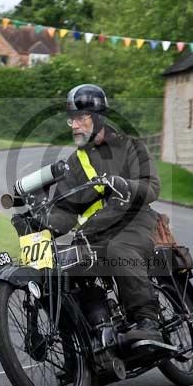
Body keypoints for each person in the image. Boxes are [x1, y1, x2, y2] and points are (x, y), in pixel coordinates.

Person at [46, 84, 163, 343]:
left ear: (98, 117)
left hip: (135, 222)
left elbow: (152, 188)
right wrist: (44, 227)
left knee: (119, 249)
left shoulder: (131, 146)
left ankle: (148, 321)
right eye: (72, 119)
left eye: (81, 118)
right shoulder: (75, 163)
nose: (75, 125)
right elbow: (66, 209)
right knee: (67, 267)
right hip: (95, 233)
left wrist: (124, 185)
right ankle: (95, 336)